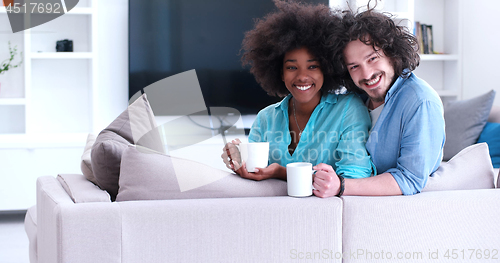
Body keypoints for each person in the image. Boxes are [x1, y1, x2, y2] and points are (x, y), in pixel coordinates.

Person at [221, 0, 375, 196]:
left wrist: (281, 172)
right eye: (292, 67)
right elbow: (256, 177)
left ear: (327, 69)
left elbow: (354, 178)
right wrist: (239, 162)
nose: (302, 76)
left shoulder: (347, 110)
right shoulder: (266, 118)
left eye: (313, 66)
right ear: (280, 73)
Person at [312, 7, 446, 197]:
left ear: (392, 53)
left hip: (391, 214)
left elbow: (410, 179)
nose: (366, 74)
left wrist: (341, 186)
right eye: (354, 66)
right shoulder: (355, 99)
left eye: (372, 58)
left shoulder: (421, 102)